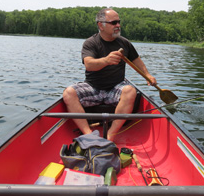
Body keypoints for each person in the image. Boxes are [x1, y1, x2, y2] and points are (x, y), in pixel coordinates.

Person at [63, 8, 156, 141]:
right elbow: (89, 64)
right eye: (113, 23)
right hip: (93, 87)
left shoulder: (124, 43)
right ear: (101, 25)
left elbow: (136, 61)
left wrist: (148, 75)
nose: (118, 25)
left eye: (119, 22)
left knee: (130, 91)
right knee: (68, 93)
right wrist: (106, 60)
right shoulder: (91, 43)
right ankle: (88, 133)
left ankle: (111, 134)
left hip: (115, 87)